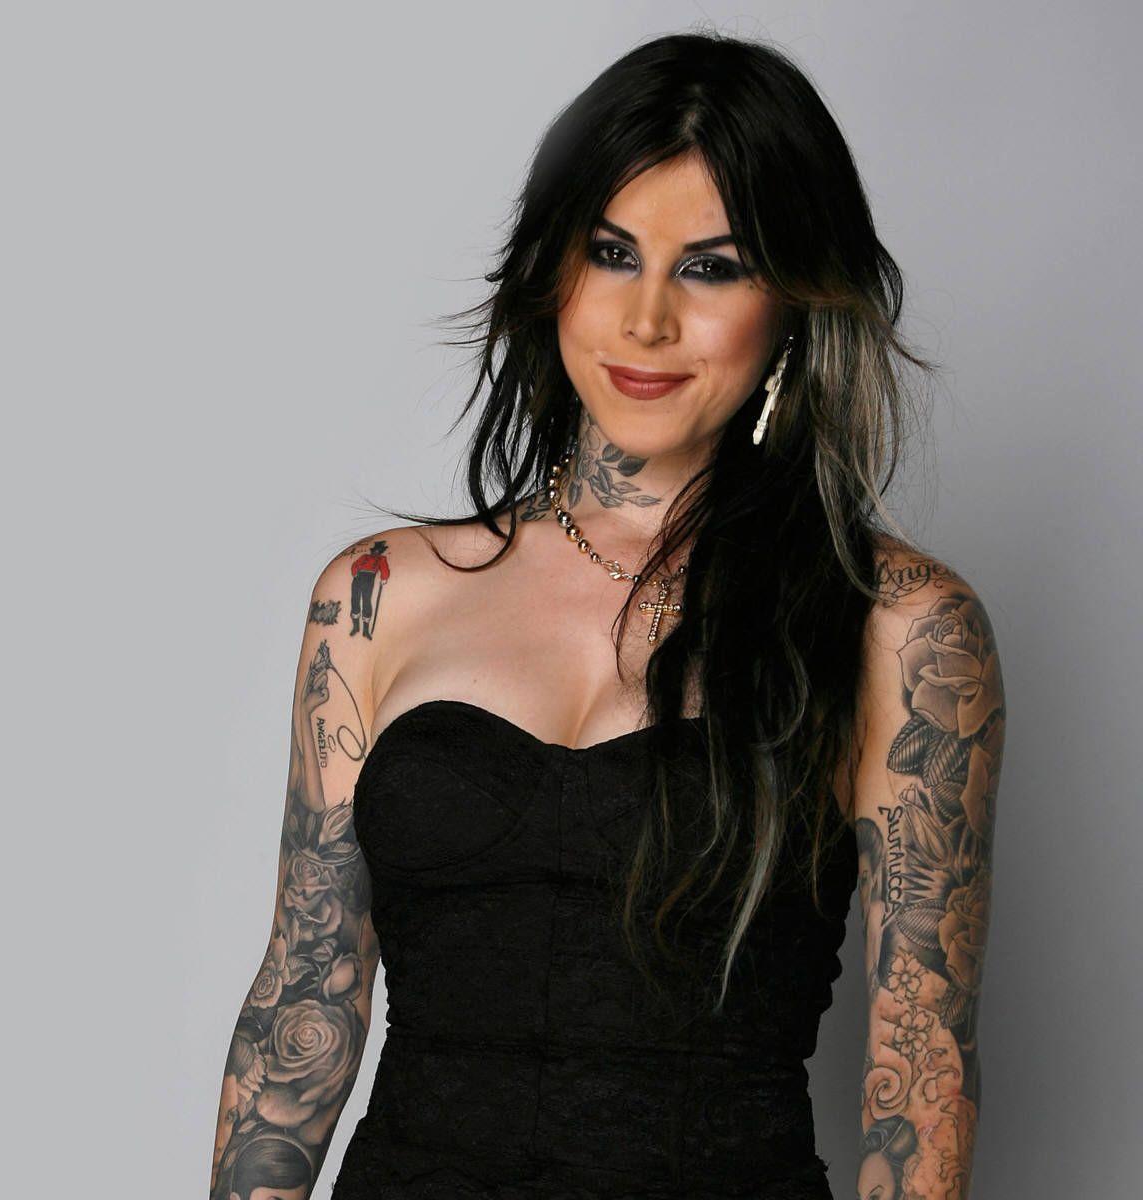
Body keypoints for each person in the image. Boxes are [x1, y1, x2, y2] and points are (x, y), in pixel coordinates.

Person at [206, 31, 1004, 1200]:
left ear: (794, 301)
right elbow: (302, 997)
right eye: (611, 252)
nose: (646, 320)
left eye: (712, 268)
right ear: (551, 272)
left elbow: (919, 1073)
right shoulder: (374, 596)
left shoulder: (903, 628)